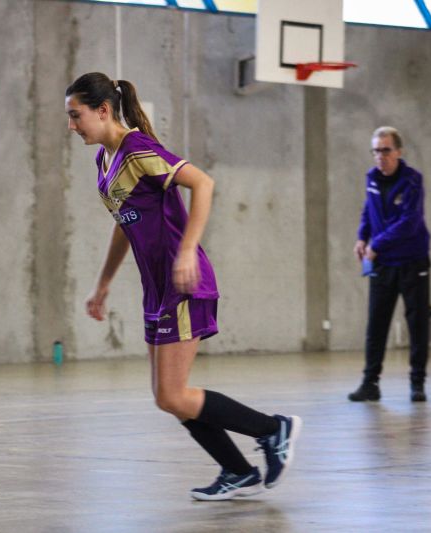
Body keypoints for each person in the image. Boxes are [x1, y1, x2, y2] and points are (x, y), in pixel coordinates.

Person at [65, 72, 301, 501]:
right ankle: (238, 471)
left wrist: (188, 249)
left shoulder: (137, 149)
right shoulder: (104, 161)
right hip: (156, 288)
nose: (71, 125)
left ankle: (273, 429)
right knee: (166, 397)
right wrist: (103, 284)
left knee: (173, 394)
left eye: (76, 115)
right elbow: (124, 225)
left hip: (184, 283)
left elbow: (203, 183)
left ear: (103, 110)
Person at [349, 127, 431, 403]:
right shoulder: (371, 178)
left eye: (385, 150)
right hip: (383, 264)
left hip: (412, 261)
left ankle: (417, 383)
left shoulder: (412, 181)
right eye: (376, 151)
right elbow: (368, 210)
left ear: (398, 151)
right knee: (376, 324)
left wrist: (376, 245)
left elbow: (409, 222)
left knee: (417, 324)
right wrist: (362, 237)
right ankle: (370, 383)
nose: (380, 156)